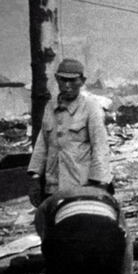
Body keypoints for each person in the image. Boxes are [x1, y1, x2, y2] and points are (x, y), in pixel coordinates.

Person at [28, 58, 112, 206]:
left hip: (82, 186)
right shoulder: (50, 106)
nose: (67, 85)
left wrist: (99, 184)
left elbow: (100, 146)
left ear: (82, 81)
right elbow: (42, 144)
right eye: (63, 80)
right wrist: (35, 177)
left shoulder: (90, 107)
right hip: (53, 186)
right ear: (57, 79)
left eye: (73, 81)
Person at [35, 185, 133, 274]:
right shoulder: (113, 204)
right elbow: (127, 249)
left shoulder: (47, 206)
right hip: (105, 236)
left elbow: (46, 243)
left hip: (67, 235)